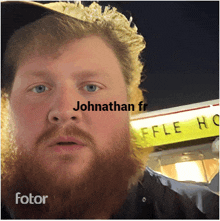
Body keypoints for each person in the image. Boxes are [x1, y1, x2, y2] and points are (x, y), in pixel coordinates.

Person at [1, 1, 219, 219]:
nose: (65, 110)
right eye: (39, 88)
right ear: (7, 104)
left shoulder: (203, 212)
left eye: (91, 87)